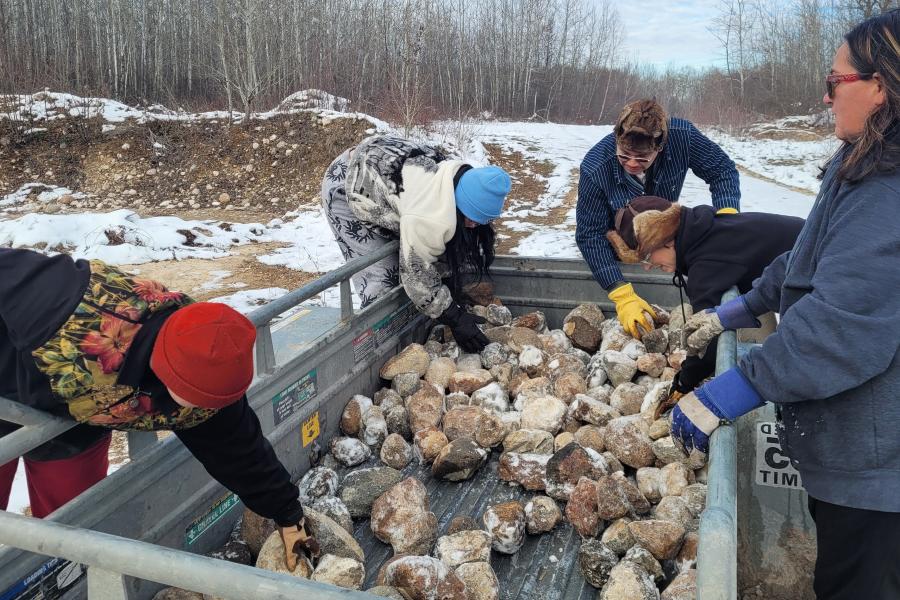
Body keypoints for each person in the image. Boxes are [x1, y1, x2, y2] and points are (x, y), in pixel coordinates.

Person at [670, 10, 900, 599]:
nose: (825, 98)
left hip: (879, 475)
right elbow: (807, 257)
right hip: (860, 456)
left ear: (880, 86)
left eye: (834, 82)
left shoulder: (888, 189)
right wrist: (741, 308)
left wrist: (732, 391)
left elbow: (837, 329)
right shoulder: (860, 167)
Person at [0, 249, 318, 570]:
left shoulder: (213, 358)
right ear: (167, 367)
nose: (201, 408)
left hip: (76, 423)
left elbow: (239, 447)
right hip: (11, 387)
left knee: (68, 528)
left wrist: (289, 516)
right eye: (194, 396)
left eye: (209, 402)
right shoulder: (67, 301)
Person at [321, 134, 511, 353]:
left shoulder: (456, 180)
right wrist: (455, 318)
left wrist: (450, 293)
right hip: (348, 185)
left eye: (481, 221)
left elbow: (437, 249)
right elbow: (415, 274)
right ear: (460, 204)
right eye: (471, 218)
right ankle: (376, 353)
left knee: (428, 253)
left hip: (383, 169)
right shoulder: (429, 215)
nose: (473, 225)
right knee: (383, 282)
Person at [576, 99, 742, 339]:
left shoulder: (682, 138)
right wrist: (621, 293)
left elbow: (722, 170)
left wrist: (727, 218)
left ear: (660, 147)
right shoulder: (596, 167)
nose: (632, 163)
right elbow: (589, 234)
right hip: (618, 246)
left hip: (664, 234)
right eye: (624, 156)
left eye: (642, 158)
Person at [606, 195, 803, 394]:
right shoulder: (707, 227)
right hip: (812, 250)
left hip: (819, 277)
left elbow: (707, 343)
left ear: (667, 241)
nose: (648, 268)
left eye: (647, 257)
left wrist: (683, 383)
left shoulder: (706, 263)